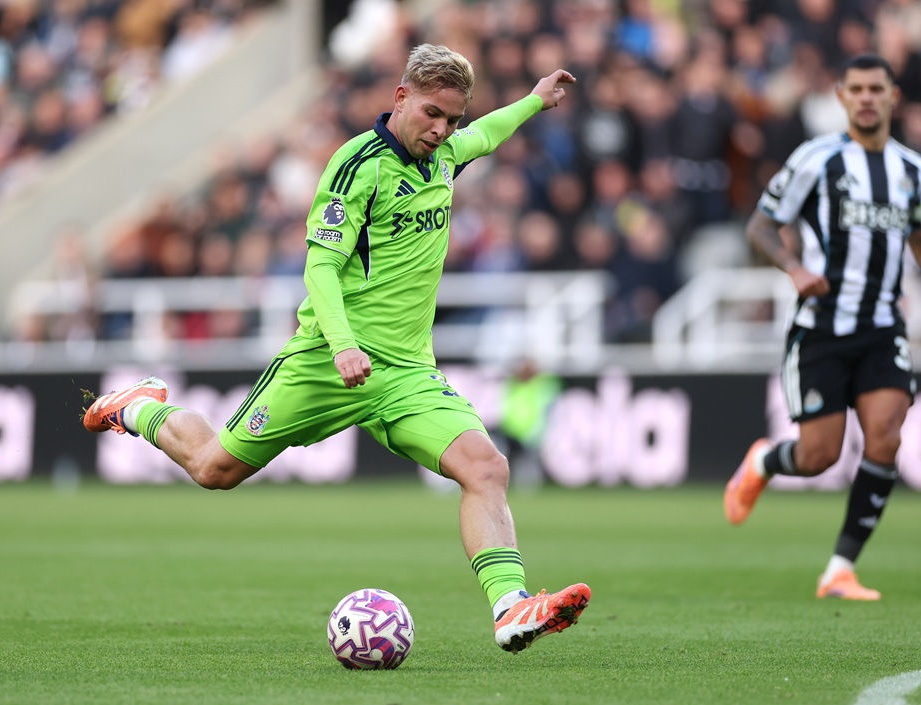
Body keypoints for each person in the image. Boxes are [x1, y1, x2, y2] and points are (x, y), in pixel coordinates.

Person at [83, 44, 590, 652]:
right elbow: (320, 269)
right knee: (215, 469)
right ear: (400, 97)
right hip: (327, 362)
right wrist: (345, 345)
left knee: (486, 468)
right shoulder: (358, 166)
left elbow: (488, 133)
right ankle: (140, 406)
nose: (442, 129)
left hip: (405, 372)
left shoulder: (447, 153)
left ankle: (510, 608)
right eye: (432, 114)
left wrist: (534, 100)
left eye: (452, 119)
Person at [723, 54, 921, 600]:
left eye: (874, 89)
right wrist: (793, 268)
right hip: (822, 327)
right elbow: (761, 225)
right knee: (819, 456)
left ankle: (839, 568)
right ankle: (764, 460)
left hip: (883, 325)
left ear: (892, 97)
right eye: (855, 88)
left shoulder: (913, 170)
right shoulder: (817, 159)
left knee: (886, 435)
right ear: (840, 96)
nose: (865, 97)